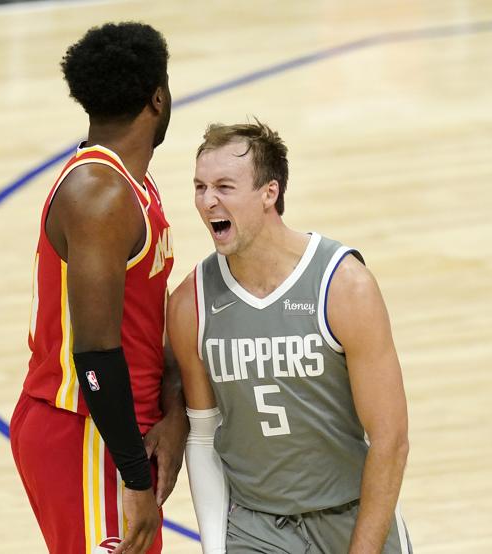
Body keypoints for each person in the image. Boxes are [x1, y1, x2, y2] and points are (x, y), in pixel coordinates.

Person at [167, 121, 412, 553]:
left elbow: (390, 438)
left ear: (269, 193)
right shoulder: (192, 303)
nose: (208, 201)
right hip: (256, 525)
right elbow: (203, 436)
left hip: (350, 515)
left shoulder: (344, 286)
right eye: (200, 187)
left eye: (224, 186)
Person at [10, 22, 186, 554]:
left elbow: (139, 322)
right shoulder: (99, 196)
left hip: (115, 427)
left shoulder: (131, 182)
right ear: (158, 97)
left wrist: (174, 408)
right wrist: (133, 477)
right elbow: (94, 353)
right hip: (87, 431)